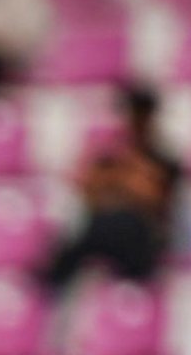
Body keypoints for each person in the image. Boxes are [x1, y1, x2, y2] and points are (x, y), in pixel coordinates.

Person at [42, 83, 182, 296]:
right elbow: (89, 194)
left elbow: (157, 200)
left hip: (141, 235)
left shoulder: (164, 160)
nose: (135, 121)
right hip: (103, 230)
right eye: (131, 114)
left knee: (121, 226)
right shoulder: (110, 158)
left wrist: (121, 181)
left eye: (140, 114)